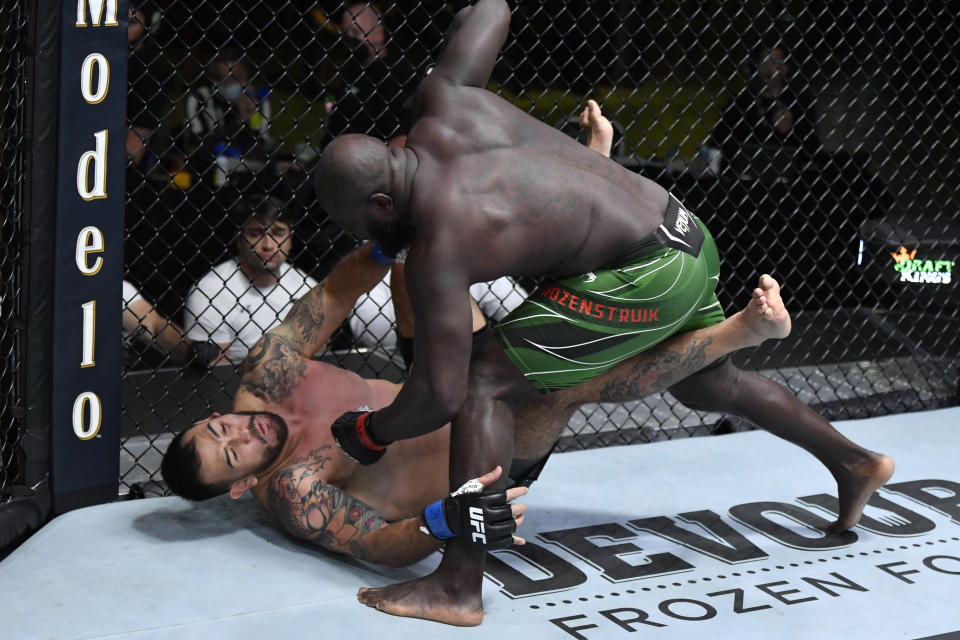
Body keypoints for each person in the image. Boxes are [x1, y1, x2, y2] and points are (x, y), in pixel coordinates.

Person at [313, 0, 894, 625]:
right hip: (684, 230)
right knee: (708, 382)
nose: (367, 240)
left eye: (360, 225)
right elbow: (491, 10)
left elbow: (438, 393)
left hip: (644, 273)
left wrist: (372, 432)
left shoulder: (439, 246)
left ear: (380, 200)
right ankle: (855, 462)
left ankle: (458, 584)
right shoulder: (444, 96)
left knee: (485, 379)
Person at [161, 237, 800, 566]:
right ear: (241, 487)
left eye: (218, 426)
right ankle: (737, 331)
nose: (237, 433)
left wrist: (385, 245)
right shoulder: (295, 490)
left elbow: (334, 295)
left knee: (420, 269)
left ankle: (592, 203)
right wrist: (443, 520)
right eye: (231, 455)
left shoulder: (266, 374)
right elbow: (378, 546)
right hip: (485, 451)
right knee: (564, 381)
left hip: (437, 386)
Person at [183, 196, 317, 364]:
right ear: (239, 240)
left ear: (290, 240)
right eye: (256, 234)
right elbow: (216, 376)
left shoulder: (306, 287)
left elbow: (318, 356)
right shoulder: (210, 291)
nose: (268, 245)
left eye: (278, 233)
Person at [711, 42, 820, 176]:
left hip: (788, 182)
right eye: (763, 60)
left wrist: (791, 129)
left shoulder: (800, 103)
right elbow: (719, 144)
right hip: (742, 180)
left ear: (785, 68)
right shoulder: (739, 103)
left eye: (775, 61)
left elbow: (812, 148)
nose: (768, 67)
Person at [322, 3, 418, 148]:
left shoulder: (391, 76)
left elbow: (400, 139)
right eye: (345, 33)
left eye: (355, 33)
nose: (349, 40)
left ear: (378, 34)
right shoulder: (355, 69)